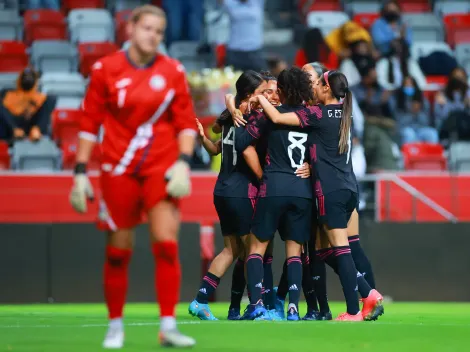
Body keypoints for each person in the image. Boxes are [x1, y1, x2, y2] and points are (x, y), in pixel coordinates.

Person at [68, 5, 197, 349]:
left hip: (161, 167)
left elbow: (185, 123)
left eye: (159, 30)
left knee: (166, 244)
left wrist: (183, 162)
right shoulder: (105, 69)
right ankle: (114, 326)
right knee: (117, 251)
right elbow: (88, 124)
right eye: (147, 28)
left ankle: (168, 325)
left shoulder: (173, 71)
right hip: (117, 169)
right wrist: (80, 172)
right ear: (130, 30)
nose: (153, 35)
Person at [252, 70, 384, 321]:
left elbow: (278, 118)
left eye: (316, 84)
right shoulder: (347, 115)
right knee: (324, 251)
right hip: (348, 187)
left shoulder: (318, 114)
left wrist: (261, 99)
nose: (313, 88)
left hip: (330, 190)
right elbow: (329, 148)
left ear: (326, 88)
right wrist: (314, 164)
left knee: (340, 247)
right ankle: (368, 293)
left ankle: (354, 310)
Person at [233, 67, 315, 321]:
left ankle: (256, 304)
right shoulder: (314, 115)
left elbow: (240, 143)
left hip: (273, 188)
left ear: (280, 90)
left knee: (256, 248)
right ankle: (292, 308)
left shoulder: (268, 116)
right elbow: (326, 147)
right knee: (295, 252)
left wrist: (237, 111)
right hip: (302, 191)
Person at [188, 71, 267, 321]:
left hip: (222, 190)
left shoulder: (231, 117)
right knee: (254, 251)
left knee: (232, 250)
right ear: (249, 93)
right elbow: (246, 151)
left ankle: (203, 299)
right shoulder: (251, 118)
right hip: (242, 191)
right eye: (262, 92)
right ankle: (257, 304)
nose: (266, 96)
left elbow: (215, 147)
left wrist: (203, 137)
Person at [0, 67, 56, 142]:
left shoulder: (41, 97)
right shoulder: (6, 93)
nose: (27, 79)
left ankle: (36, 130)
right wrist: (13, 127)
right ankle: (16, 130)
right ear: (19, 79)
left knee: (51, 99)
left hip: (32, 126)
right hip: (12, 127)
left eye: (30, 77)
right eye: (25, 77)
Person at [390, 76, 438, 144]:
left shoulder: (422, 100)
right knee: (409, 134)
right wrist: (412, 112)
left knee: (432, 133)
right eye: (406, 84)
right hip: (405, 129)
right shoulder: (398, 100)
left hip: (420, 128)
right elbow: (399, 122)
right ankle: (409, 154)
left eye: (411, 84)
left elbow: (427, 121)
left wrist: (418, 112)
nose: (409, 86)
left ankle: (431, 153)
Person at [222, 0, 267, 72]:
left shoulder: (257, 2)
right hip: (235, 51)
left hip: (255, 51)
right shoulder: (230, 3)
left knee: (262, 81)